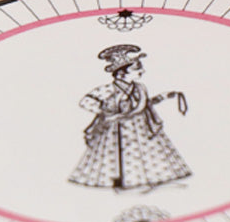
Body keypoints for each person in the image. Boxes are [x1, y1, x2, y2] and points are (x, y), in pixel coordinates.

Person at [68, 44, 190, 192]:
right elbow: (85, 102)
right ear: (121, 73)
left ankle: (143, 181)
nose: (142, 71)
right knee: (116, 155)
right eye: (137, 69)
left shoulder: (140, 88)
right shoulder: (108, 89)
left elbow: (145, 104)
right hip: (116, 128)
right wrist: (107, 112)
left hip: (140, 126)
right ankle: (120, 183)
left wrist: (165, 96)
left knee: (144, 153)